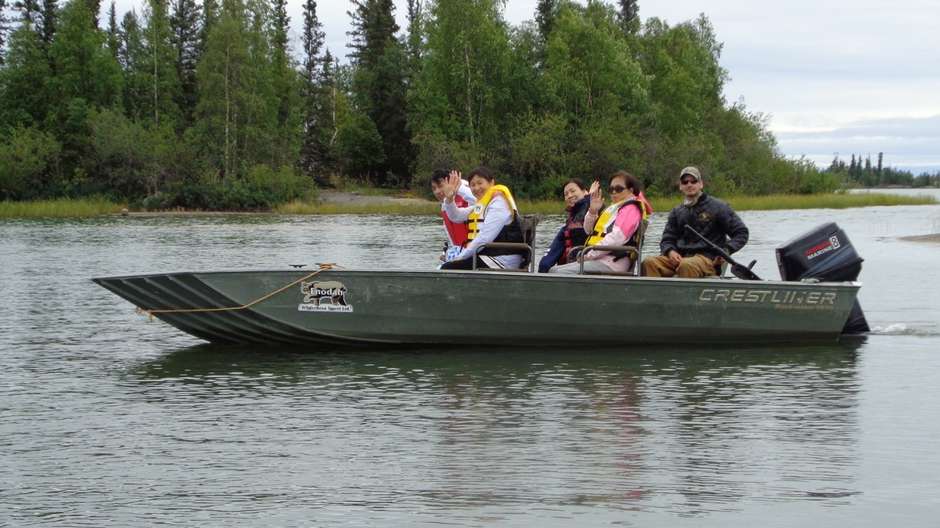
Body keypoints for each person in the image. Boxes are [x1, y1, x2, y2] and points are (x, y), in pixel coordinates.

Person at [642, 166, 749, 278]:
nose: (689, 184)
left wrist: (726, 250)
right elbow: (667, 239)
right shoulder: (676, 211)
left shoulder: (719, 207)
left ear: (701, 184)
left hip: (708, 259)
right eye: (685, 182)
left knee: (686, 265)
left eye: (694, 181)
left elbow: (741, 232)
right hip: (681, 258)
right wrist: (670, 251)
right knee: (649, 262)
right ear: (680, 186)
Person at [549, 171, 650, 274]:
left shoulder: (631, 209)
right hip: (600, 259)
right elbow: (588, 230)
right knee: (553, 270)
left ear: (631, 190)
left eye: (619, 189)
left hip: (613, 263)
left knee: (559, 273)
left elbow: (617, 238)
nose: (614, 192)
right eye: (611, 189)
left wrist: (590, 254)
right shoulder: (614, 208)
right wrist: (592, 211)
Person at [438, 166, 526, 270]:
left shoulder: (499, 203)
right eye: (472, 185)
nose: (476, 188)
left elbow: (483, 239)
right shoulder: (482, 205)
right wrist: (449, 199)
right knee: (449, 265)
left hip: (502, 260)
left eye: (480, 183)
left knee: (448, 267)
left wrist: (459, 258)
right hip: (488, 256)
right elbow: (456, 216)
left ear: (491, 183)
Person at [538, 179, 591, 273]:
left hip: (584, 262)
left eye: (573, 191)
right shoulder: (570, 220)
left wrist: (589, 197)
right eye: (566, 194)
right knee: (544, 265)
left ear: (584, 192)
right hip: (569, 264)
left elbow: (588, 206)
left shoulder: (592, 209)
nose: (569, 195)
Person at [430, 168, 475, 263]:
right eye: (434, 188)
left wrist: (458, 188)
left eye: (440, 186)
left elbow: (483, 202)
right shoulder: (445, 205)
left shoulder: (467, 193)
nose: (437, 191)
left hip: (475, 254)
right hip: (460, 254)